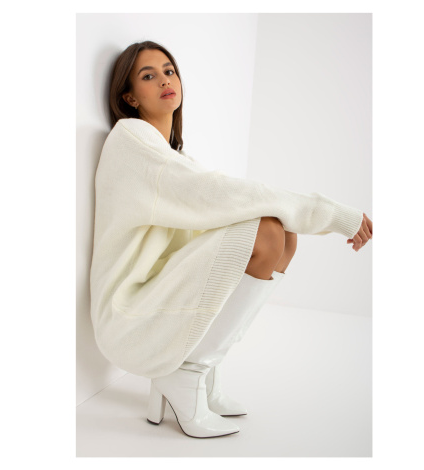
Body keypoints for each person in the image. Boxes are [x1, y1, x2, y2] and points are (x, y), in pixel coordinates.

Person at [90, 40, 373, 439]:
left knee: (284, 234)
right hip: (129, 316)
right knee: (266, 231)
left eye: (169, 71)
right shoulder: (131, 139)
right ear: (130, 97)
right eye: (148, 76)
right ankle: (185, 372)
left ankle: (200, 368)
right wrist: (330, 213)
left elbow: (219, 201)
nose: (165, 80)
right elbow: (219, 193)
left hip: (157, 299)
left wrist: (307, 216)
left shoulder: (174, 157)